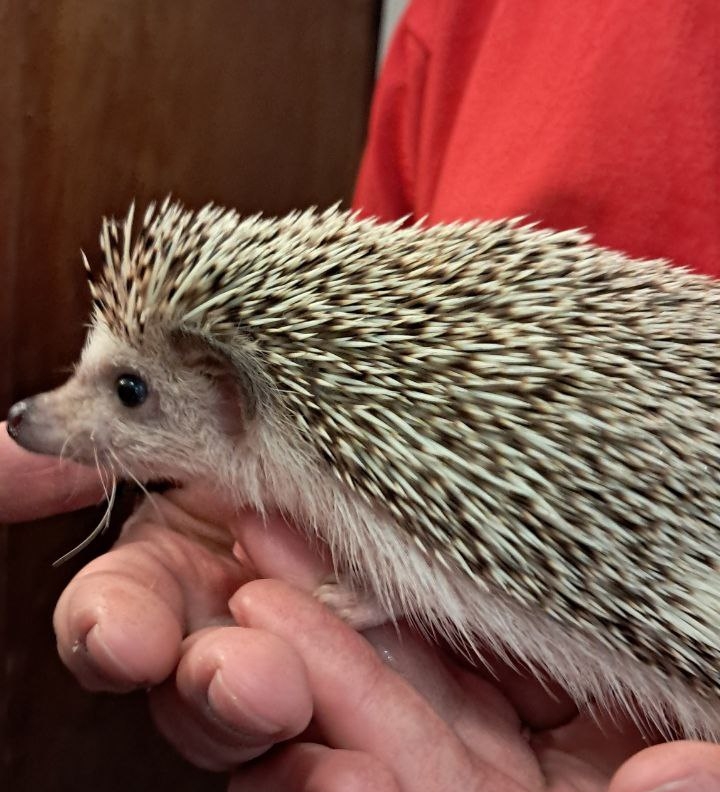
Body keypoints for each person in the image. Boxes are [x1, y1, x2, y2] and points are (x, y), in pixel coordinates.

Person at [3, 1, 720, 789]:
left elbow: (430, 559)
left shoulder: (351, 469)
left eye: (129, 391)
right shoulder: (460, 22)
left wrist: (376, 593)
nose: (49, 415)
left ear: (229, 394)